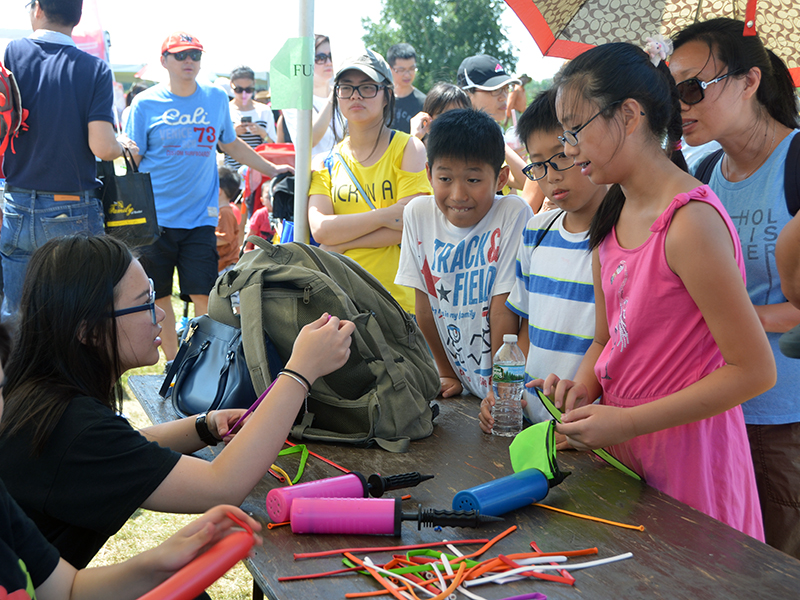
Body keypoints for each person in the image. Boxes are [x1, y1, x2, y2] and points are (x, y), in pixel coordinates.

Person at [536, 42, 775, 539]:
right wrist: (583, 391)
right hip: (625, 455)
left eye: (576, 130)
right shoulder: (611, 213)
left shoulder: (689, 223)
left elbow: (753, 370)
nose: (569, 148)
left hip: (690, 457)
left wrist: (627, 422)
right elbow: (606, 341)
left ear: (628, 114)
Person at [0, 235, 354, 569]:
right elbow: (222, 486)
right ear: (90, 331)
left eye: (153, 295)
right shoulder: (73, 428)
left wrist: (203, 426)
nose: (162, 315)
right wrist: (300, 372)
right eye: (143, 304)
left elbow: (120, 448)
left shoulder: (42, 399)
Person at [670, 18, 800, 557]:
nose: (680, 103)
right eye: (670, 90)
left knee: (780, 564)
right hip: (714, 409)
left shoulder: (795, 163)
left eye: (693, 88)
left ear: (750, 81)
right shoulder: (700, 175)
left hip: (783, 416)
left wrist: (742, 318)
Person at [125, 31, 292, 364]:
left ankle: (202, 364)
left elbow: (230, 144)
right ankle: (173, 366)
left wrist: (273, 170)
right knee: (158, 298)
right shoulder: (145, 103)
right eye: (181, 55)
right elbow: (133, 159)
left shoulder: (215, 98)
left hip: (202, 218)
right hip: (154, 220)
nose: (189, 61)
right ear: (164, 61)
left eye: (195, 55)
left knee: (206, 294)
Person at [1, 0, 138, 322]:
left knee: (18, 319)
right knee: (77, 320)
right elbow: (102, 147)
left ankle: (18, 374)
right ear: (77, 18)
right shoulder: (94, 69)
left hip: (16, 203)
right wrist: (122, 146)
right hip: (71, 207)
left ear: (37, 10)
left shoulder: (11, 54)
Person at [479, 89, 607, 434]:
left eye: (562, 156)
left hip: (592, 428)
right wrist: (505, 395)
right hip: (533, 421)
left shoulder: (620, 236)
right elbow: (525, 333)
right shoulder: (536, 231)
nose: (551, 176)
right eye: (538, 164)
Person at [395, 108, 532, 401]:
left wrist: (501, 390)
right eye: (445, 179)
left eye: (473, 180)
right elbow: (425, 307)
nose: (458, 194)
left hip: (507, 384)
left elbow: (503, 309)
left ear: (501, 178)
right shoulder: (417, 214)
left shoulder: (512, 212)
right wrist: (445, 372)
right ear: (429, 173)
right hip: (463, 379)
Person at [308, 49, 429, 314]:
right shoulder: (325, 161)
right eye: (347, 88)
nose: (355, 96)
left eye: (367, 87)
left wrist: (342, 243)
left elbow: (411, 224)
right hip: (339, 302)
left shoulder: (408, 148)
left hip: (397, 303)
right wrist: (387, 215)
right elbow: (322, 231)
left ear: (387, 94)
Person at [457, 54, 544, 212]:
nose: (504, 97)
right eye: (495, 90)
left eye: (505, 89)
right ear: (468, 94)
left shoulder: (493, 134)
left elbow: (515, 186)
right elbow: (529, 182)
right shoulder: (461, 139)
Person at [282, 34, 344, 159]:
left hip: (345, 171)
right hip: (315, 175)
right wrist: (333, 97)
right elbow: (308, 141)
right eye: (320, 58)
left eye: (331, 57)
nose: (328, 63)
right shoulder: (293, 99)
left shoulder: (343, 94)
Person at [224, 65, 277, 170]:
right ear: (231, 85)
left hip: (260, 171)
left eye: (248, 89)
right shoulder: (225, 110)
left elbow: (274, 146)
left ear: (254, 84)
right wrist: (232, 134)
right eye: (239, 89)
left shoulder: (264, 111)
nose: (244, 94)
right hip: (232, 174)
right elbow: (218, 146)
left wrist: (263, 134)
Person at [387, 43, 426, 134]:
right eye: (401, 70)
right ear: (390, 69)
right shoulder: (381, 98)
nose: (407, 75)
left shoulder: (423, 103)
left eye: (412, 69)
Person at [216, 166, 242, 274]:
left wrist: (202, 239)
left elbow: (225, 238)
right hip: (222, 264)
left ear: (218, 191)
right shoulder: (221, 211)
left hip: (227, 267)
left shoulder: (225, 213)